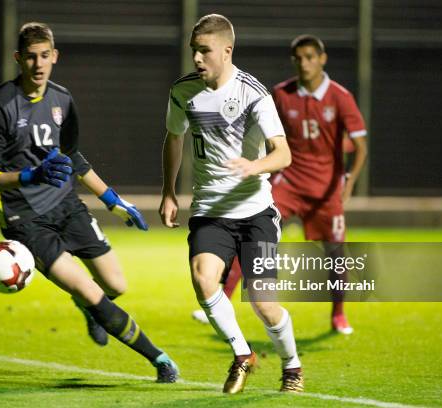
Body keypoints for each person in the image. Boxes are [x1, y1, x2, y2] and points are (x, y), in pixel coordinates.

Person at [0, 22, 178, 383]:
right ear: (19, 58)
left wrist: (113, 200)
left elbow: (73, 159)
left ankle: (87, 308)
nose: (39, 64)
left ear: (55, 57)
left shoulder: (62, 100)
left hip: (67, 206)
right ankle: (159, 359)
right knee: (90, 291)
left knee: (116, 286)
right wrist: (28, 177)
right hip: (26, 220)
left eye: (45, 56)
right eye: (31, 57)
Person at [159, 14, 303, 393]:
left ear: (227, 50)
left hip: (255, 211)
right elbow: (174, 139)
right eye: (194, 51)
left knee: (264, 304)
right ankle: (242, 354)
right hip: (210, 210)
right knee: (203, 278)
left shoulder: (253, 94)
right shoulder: (182, 91)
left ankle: (291, 365)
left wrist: (253, 166)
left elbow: (283, 154)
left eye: (205, 51)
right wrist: (169, 192)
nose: (197, 59)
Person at [194, 35, 368, 334]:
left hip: (326, 191)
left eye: (311, 57)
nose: (305, 63)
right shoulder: (282, 94)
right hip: (289, 184)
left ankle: (338, 314)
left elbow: (360, 146)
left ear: (322, 59)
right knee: (252, 239)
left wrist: (349, 182)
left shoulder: (340, 97)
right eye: (299, 58)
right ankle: (224, 297)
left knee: (336, 253)